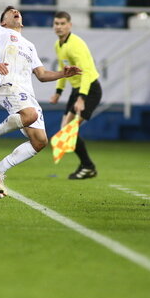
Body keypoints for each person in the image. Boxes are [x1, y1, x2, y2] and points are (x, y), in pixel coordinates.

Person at [0, 6, 82, 196]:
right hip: (8, 86)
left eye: (18, 11)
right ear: (3, 21)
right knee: (29, 115)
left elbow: (42, 74)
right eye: (10, 11)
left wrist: (63, 73)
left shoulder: (29, 45)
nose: (16, 12)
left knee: (40, 141)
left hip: (27, 93)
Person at [49, 11, 103, 179]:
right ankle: (86, 165)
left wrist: (81, 98)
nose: (59, 27)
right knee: (64, 132)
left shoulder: (76, 45)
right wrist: (58, 92)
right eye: (56, 23)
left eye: (62, 23)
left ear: (69, 25)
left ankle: (88, 166)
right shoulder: (58, 45)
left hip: (89, 90)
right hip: (77, 90)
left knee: (68, 132)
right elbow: (64, 70)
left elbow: (86, 73)